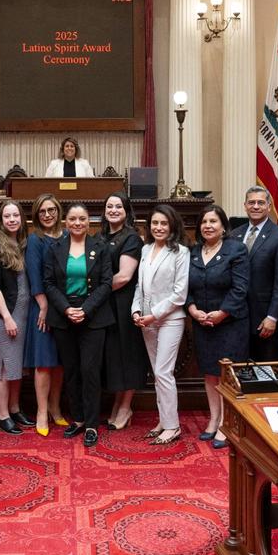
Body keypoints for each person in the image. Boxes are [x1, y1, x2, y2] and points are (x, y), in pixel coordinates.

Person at [44, 203, 115, 447]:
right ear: (65, 222)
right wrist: (66, 309)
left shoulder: (101, 247)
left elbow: (107, 283)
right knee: (71, 371)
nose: (77, 223)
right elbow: (49, 283)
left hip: (93, 317)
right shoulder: (55, 248)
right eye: (73, 219)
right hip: (64, 317)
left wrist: (85, 310)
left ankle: (93, 424)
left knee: (90, 371)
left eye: (82, 219)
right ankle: (79, 419)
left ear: (89, 222)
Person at [187, 204, 249, 449]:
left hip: (230, 322)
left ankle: (227, 422)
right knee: (210, 372)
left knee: (226, 374)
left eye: (213, 221)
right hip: (202, 322)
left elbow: (240, 288)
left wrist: (222, 313)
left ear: (224, 226)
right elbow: (186, 287)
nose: (208, 226)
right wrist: (192, 309)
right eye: (204, 222)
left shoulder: (236, 250)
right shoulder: (193, 252)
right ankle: (213, 419)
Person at [131, 205, 189, 445]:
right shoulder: (145, 249)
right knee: (157, 373)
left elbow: (179, 294)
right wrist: (135, 309)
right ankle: (164, 421)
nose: (159, 227)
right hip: (147, 320)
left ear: (172, 225)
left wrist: (153, 315)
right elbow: (139, 286)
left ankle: (173, 426)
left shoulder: (181, 252)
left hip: (170, 320)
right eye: (155, 223)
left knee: (164, 372)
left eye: (164, 223)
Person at [229, 186, 278, 363]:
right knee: (241, 370)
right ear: (245, 206)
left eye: (260, 202)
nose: (255, 206)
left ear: (269, 206)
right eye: (251, 202)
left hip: (265, 319)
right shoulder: (234, 235)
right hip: (238, 318)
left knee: (266, 373)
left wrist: (273, 316)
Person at [0, 201, 34, 434]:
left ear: (22, 219)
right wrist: (6, 317)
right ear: (1, 221)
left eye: (16, 215)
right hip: (7, 315)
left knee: (18, 366)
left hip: (25, 314)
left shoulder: (24, 245)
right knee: (4, 366)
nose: (12, 219)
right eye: (7, 216)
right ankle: (3, 416)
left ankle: (15, 409)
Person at [102, 192, 147, 431]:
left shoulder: (131, 238)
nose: (113, 210)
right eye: (109, 206)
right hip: (106, 305)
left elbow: (123, 277)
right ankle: (118, 402)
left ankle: (125, 406)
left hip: (124, 304)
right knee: (114, 357)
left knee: (127, 355)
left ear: (127, 210)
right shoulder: (101, 236)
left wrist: (96, 289)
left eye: (118, 206)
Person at [23, 194, 67, 436]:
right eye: (42, 212)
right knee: (44, 362)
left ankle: (55, 407)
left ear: (58, 211)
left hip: (64, 308)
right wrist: (44, 306)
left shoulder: (68, 236)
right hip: (42, 308)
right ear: (37, 216)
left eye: (51, 210)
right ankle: (41, 411)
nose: (48, 215)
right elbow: (34, 276)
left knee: (59, 362)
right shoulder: (35, 240)